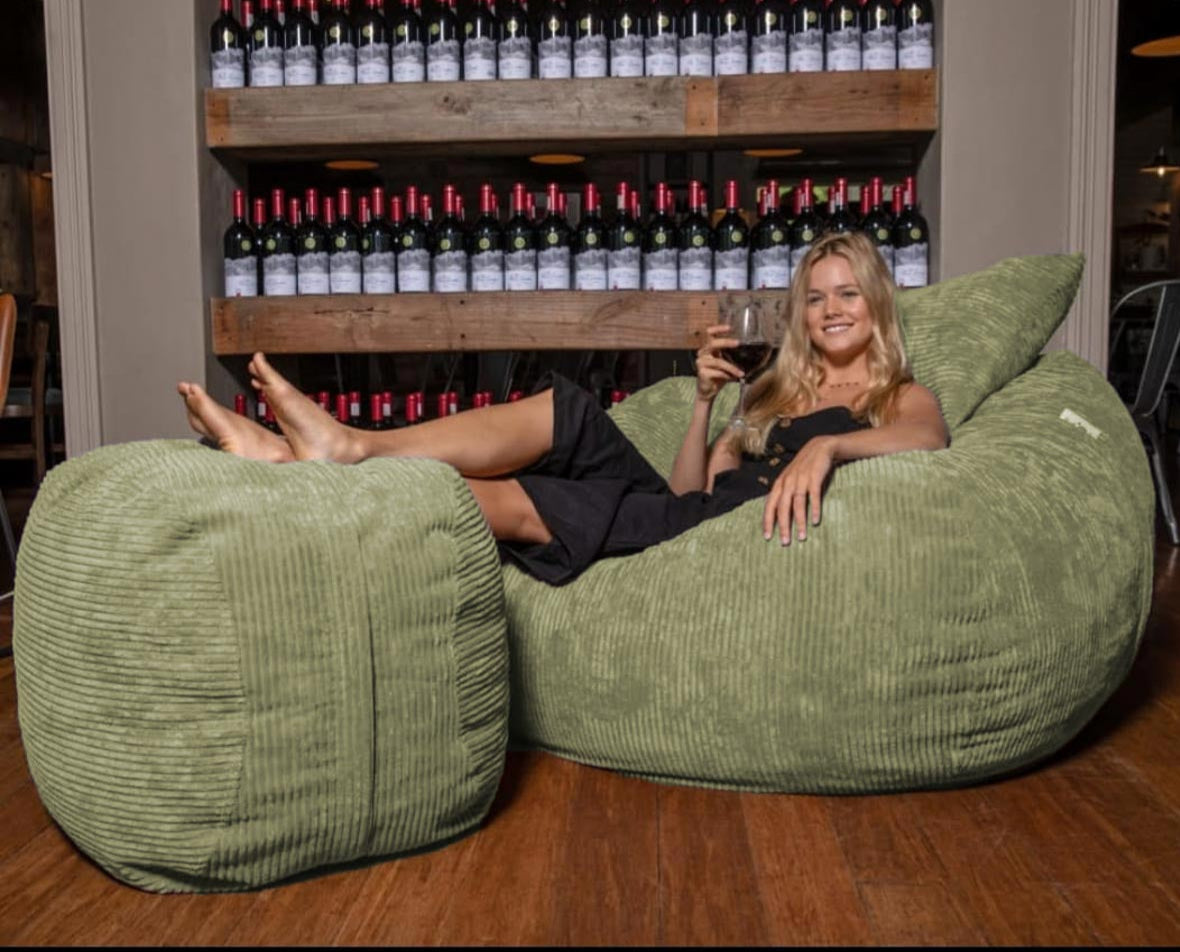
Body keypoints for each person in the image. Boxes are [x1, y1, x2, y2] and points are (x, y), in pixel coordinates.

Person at [179, 231, 948, 585]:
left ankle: (305, 463)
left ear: (876, 305)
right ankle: (350, 446)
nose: (831, 309)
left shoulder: (895, 395)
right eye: (815, 298)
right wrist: (708, 403)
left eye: (848, 293)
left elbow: (929, 440)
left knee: (539, 503)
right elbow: (686, 493)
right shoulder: (778, 389)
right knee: (570, 413)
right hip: (693, 513)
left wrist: (829, 448)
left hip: (724, 535)